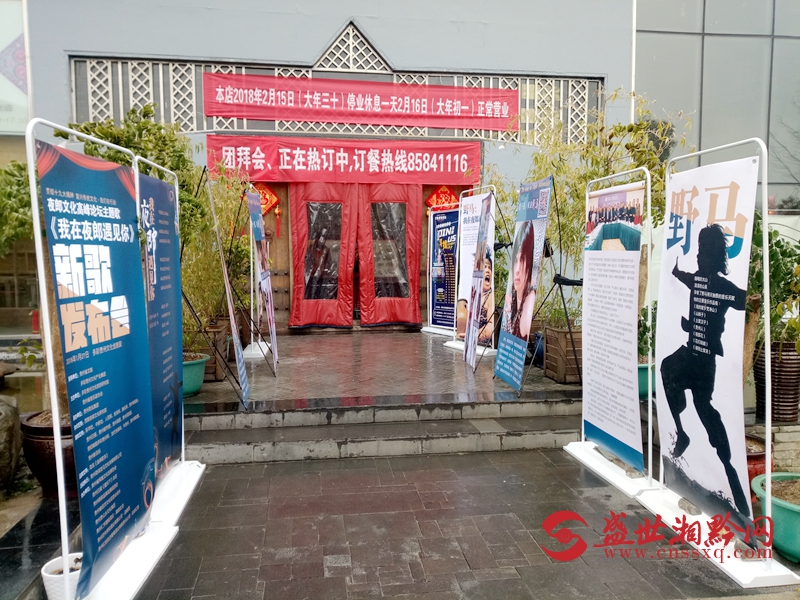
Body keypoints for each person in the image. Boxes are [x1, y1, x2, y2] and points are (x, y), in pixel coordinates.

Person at [660, 224, 749, 516]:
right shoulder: (698, 279)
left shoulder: (723, 287)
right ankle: (682, 432)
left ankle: (728, 466)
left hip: (704, 361)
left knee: (704, 408)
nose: (698, 256)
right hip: (690, 352)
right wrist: (675, 272)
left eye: (703, 251)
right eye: (697, 250)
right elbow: (686, 278)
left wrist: (754, 300)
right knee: (667, 368)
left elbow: (743, 299)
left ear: (713, 254)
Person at [502, 222, 536, 342]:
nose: (517, 270)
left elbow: (520, 331)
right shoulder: (513, 293)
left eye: (522, 260)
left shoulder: (529, 299)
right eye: (516, 260)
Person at [305, 228, 332, 299]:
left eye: (324, 238)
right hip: (311, 276)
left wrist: (323, 270)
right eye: (321, 237)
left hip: (322, 277)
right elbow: (307, 261)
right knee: (310, 294)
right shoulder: (311, 248)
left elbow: (328, 263)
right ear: (317, 238)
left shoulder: (326, 250)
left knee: (320, 294)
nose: (322, 240)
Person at [477, 250, 494, 346]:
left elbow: (491, 326)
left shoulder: (490, 297)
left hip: (484, 347)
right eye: (484, 267)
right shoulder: (475, 295)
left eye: (489, 268)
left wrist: (473, 335)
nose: (488, 270)